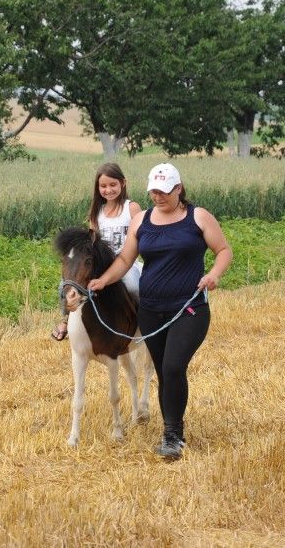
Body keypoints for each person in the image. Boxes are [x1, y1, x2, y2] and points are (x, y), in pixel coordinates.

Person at [88, 163, 232, 460]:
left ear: (179, 189)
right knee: (165, 373)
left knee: (173, 367)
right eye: (154, 191)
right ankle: (171, 429)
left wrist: (214, 274)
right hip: (152, 310)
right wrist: (103, 280)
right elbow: (126, 259)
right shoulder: (142, 220)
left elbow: (223, 250)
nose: (158, 197)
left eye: (165, 191)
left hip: (189, 307)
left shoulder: (198, 217)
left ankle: (173, 437)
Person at [51, 162, 142, 341]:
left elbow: (140, 238)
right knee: (67, 284)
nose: (108, 190)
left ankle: (141, 324)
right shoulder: (97, 212)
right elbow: (90, 244)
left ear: (123, 183)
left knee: (132, 284)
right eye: (103, 186)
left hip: (127, 264)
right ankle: (67, 320)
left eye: (113, 185)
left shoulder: (131, 208)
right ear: (97, 187)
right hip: (102, 265)